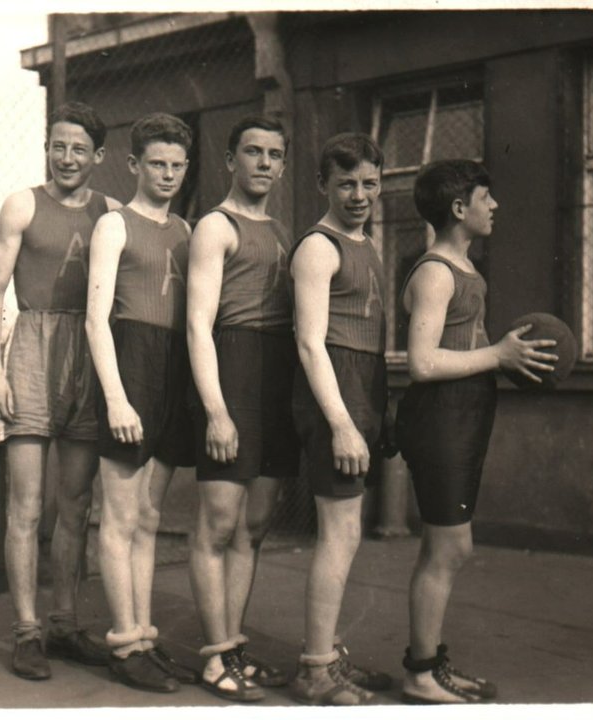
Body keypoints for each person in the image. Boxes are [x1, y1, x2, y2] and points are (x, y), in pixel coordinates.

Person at [395, 159, 557, 703]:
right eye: (486, 198)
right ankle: (420, 673)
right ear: (460, 209)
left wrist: (509, 357)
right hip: (439, 418)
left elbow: (468, 349)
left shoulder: (466, 270)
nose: (495, 207)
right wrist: (497, 353)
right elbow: (421, 362)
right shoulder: (437, 272)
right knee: (448, 548)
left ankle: (429, 664)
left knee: (447, 548)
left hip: (464, 416)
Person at [0, 101, 120, 681]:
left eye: (79, 149)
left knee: (77, 504)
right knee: (27, 504)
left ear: (98, 156)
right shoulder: (22, 204)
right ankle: (27, 632)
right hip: (34, 349)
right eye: (58, 146)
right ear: (48, 148)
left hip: (89, 350)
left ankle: (64, 623)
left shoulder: (110, 213)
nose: (67, 158)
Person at [85, 112, 201, 693]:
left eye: (178, 165)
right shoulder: (115, 226)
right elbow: (96, 320)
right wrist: (116, 399)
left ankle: (144, 637)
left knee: (151, 516)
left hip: (173, 368)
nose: (168, 174)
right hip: (130, 363)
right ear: (134, 165)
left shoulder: (186, 230)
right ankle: (123, 643)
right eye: (157, 163)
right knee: (121, 514)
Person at [186, 115, 298, 702]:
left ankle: (233, 648)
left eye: (274, 154)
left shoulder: (282, 231)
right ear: (231, 159)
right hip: (231, 368)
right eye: (252, 152)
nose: (263, 163)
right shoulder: (214, 226)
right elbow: (199, 326)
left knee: (253, 526)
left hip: (275, 376)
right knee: (219, 523)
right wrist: (216, 411)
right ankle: (214, 658)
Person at [287, 133, 394, 705]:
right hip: (335, 391)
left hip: (363, 384)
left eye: (369, 183)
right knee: (339, 532)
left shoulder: (366, 245)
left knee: (347, 533)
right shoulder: (319, 248)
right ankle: (313, 668)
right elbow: (310, 344)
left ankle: (326, 654)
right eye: (346, 183)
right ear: (324, 183)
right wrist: (343, 423)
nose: (359, 195)